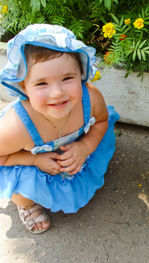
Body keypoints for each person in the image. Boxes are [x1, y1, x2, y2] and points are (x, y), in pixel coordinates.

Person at [0, 24, 119, 234]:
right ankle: (26, 204)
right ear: (23, 87)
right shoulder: (15, 128)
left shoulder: (89, 99)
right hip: (21, 156)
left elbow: (101, 122)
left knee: (96, 150)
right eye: (41, 84)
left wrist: (85, 146)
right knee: (20, 186)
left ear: (81, 74)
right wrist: (34, 160)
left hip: (70, 149)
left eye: (67, 78)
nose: (57, 93)